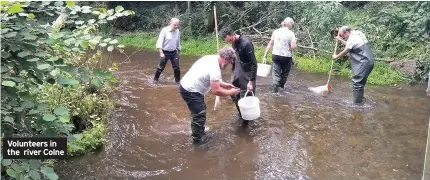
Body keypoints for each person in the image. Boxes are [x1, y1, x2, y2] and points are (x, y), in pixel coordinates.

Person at [179, 47, 240, 145]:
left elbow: (211, 78)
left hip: (186, 86)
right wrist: (231, 92)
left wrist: (224, 84)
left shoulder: (210, 58)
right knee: (199, 114)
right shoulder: (215, 69)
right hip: (191, 90)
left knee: (200, 111)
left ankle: (200, 131)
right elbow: (216, 91)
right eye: (229, 62)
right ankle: (197, 141)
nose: (228, 65)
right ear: (226, 59)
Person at [221, 27, 258, 123]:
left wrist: (251, 81)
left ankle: (247, 121)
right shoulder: (233, 43)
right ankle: (241, 114)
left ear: (234, 34)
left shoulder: (246, 43)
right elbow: (234, 59)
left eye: (230, 40)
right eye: (228, 41)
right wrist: (224, 64)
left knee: (246, 98)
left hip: (247, 74)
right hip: (237, 72)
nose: (230, 42)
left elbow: (254, 63)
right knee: (233, 93)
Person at [332, 26, 374, 104]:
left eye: (343, 35)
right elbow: (351, 45)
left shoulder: (352, 38)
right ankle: (361, 100)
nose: (343, 37)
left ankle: (357, 105)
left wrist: (336, 57)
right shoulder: (358, 33)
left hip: (363, 62)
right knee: (361, 83)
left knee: (357, 83)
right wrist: (341, 40)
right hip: (368, 61)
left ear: (347, 32)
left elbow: (346, 51)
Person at [263, 17, 298, 93]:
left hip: (276, 55)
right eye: (292, 24)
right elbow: (293, 47)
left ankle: (275, 87)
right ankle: (281, 88)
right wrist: (295, 42)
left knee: (276, 72)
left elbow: (270, 44)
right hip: (286, 57)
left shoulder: (276, 32)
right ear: (290, 24)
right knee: (284, 74)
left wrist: (265, 54)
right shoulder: (291, 34)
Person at [153, 18, 182, 84]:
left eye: (177, 25)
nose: (176, 26)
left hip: (174, 52)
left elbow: (178, 42)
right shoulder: (164, 30)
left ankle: (178, 82)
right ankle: (155, 80)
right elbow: (159, 42)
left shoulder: (177, 31)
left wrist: (179, 52)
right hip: (165, 52)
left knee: (177, 68)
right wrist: (161, 52)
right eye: (175, 25)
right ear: (171, 23)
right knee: (160, 68)